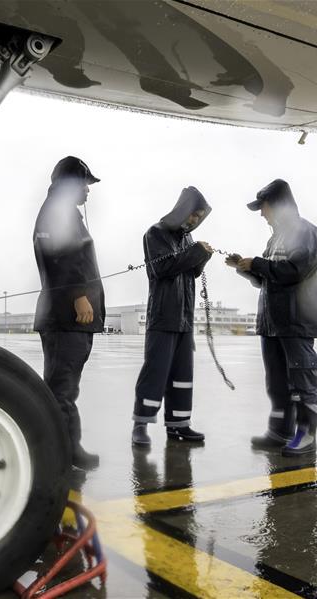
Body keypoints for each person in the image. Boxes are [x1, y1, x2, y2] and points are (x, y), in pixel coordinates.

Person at [226, 179, 317, 456]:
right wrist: (246, 268)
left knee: (302, 380)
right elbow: (268, 279)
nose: (262, 214)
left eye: (264, 207)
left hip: (296, 321)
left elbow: (295, 270)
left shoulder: (304, 231)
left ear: (278, 205)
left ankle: (306, 434)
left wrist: (257, 263)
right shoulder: (275, 238)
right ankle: (280, 431)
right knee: (277, 382)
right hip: (272, 323)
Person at [33, 156, 105, 470]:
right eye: (85, 184)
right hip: (66, 315)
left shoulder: (64, 212)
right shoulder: (58, 211)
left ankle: (63, 448)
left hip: (68, 316)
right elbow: (59, 255)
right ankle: (62, 453)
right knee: (61, 389)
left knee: (64, 387)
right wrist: (79, 295)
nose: (88, 191)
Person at [132, 186, 214, 446]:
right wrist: (195, 253)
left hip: (184, 319)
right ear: (183, 210)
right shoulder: (155, 233)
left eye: (199, 218)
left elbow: (189, 272)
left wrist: (201, 257)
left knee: (182, 375)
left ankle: (179, 425)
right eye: (193, 215)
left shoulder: (187, 239)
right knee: (155, 373)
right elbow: (162, 268)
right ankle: (141, 425)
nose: (194, 221)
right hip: (163, 317)